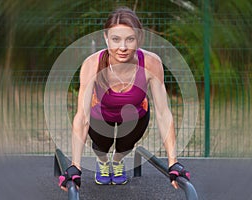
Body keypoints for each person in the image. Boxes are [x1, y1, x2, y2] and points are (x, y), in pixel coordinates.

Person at [58, 7, 190, 191]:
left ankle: (118, 161)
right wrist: (75, 166)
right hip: (101, 115)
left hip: (135, 115)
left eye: (130, 39)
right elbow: (82, 116)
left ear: (139, 39)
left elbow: (163, 113)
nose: (122, 47)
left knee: (125, 144)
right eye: (116, 39)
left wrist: (173, 162)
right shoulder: (92, 64)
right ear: (106, 38)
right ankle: (103, 162)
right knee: (102, 146)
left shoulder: (151, 62)